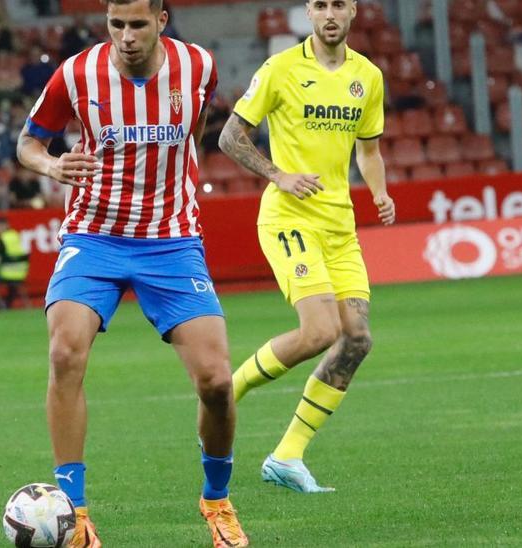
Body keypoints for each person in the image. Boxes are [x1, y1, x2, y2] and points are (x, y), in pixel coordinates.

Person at [16, 0, 247, 545]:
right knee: (63, 350)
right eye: (116, 24)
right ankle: (74, 514)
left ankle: (217, 501)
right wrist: (52, 164)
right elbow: (29, 142)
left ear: (161, 22)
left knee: (216, 381)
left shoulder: (199, 67)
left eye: (138, 24)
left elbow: (191, 133)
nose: (125, 36)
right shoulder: (75, 73)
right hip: (93, 237)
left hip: (171, 241)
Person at [218, 0, 395, 494]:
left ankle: (287, 455)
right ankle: (228, 390)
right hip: (289, 218)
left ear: (353, 11)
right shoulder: (281, 68)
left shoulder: (368, 77)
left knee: (356, 339)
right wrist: (279, 174)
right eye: (320, 5)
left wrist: (379, 191)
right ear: (309, 14)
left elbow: (370, 149)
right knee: (320, 331)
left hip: (340, 227)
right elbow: (230, 137)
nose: (330, 13)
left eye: (338, 4)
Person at [0, 216, 30, 310]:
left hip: (7, 273)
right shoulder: (15, 235)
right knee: (13, 284)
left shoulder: (3, 238)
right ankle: (8, 304)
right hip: (20, 273)